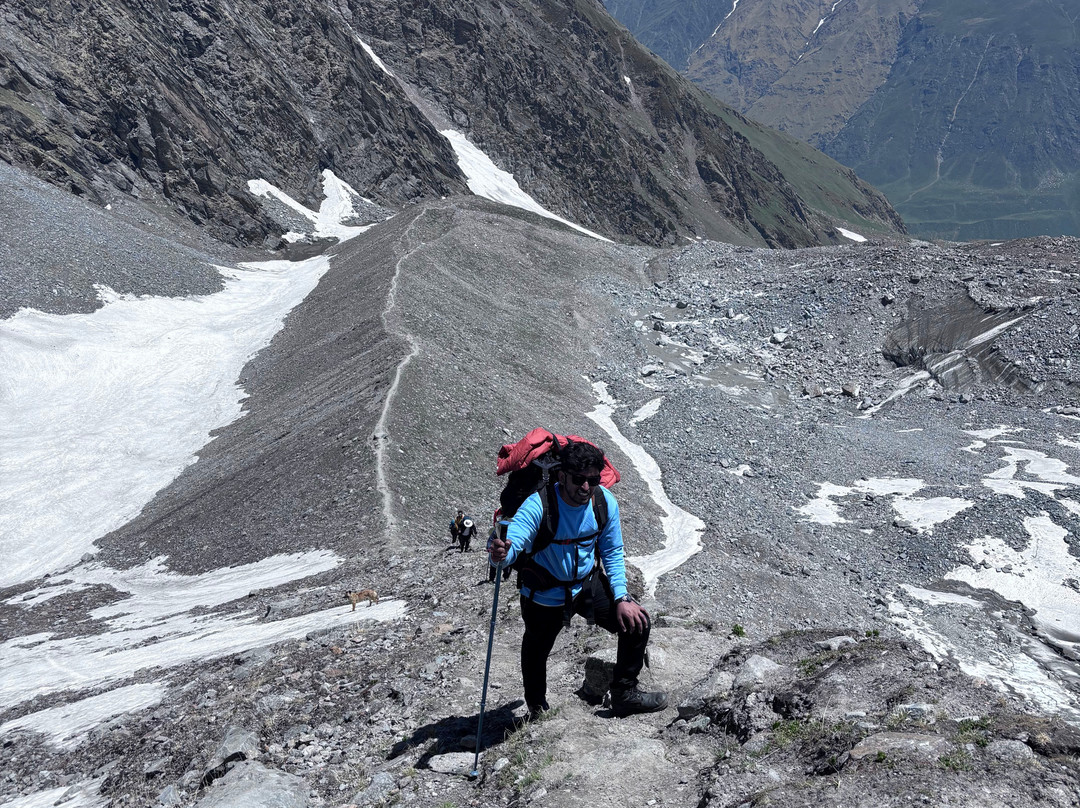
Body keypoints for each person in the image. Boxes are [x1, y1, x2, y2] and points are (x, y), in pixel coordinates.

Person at [489, 441, 667, 719]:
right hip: (544, 593)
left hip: (585, 585)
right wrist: (503, 553)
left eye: (593, 480)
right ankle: (537, 708)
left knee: (636, 623)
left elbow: (612, 551)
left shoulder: (604, 502)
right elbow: (516, 540)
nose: (586, 487)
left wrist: (621, 597)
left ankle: (624, 694)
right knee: (536, 651)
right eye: (579, 480)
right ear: (562, 476)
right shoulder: (539, 505)